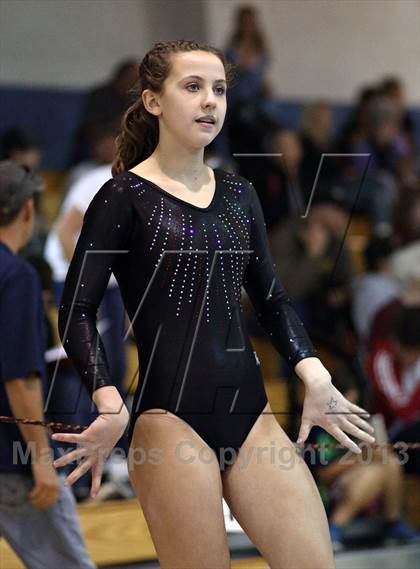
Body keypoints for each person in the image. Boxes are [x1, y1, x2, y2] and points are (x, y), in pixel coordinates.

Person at [52, 40, 375, 569]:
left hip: (251, 417)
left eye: (220, 90)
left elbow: (271, 298)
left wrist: (314, 377)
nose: (210, 102)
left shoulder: (237, 193)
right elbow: (77, 311)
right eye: (193, 87)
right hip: (169, 418)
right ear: (153, 101)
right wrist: (108, 399)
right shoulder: (123, 197)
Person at [0, 160, 95, 569]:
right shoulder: (17, 276)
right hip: (9, 459)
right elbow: (20, 379)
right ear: (27, 210)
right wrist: (41, 459)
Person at [305, 368, 420, 552]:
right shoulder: (318, 429)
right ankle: (335, 526)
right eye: (346, 401)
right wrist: (359, 456)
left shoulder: (357, 424)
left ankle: (393, 522)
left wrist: (376, 451)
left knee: (390, 462)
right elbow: (323, 475)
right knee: (375, 471)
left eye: (353, 401)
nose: (350, 407)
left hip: (360, 484)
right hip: (327, 493)